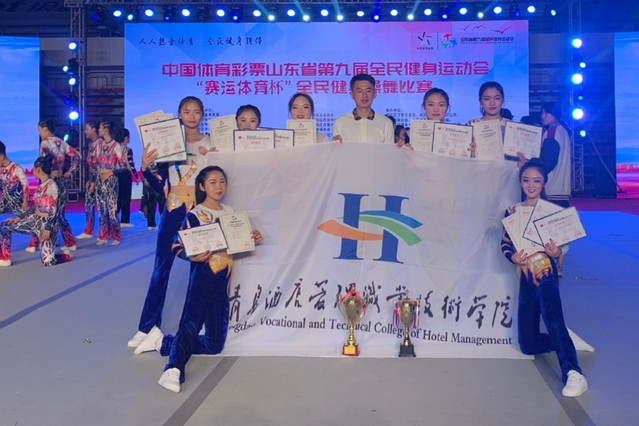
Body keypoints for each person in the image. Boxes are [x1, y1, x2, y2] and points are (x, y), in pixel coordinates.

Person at [134, 165, 263, 393]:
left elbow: (237, 241)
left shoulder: (230, 212)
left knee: (214, 344)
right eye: (212, 182)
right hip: (202, 277)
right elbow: (175, 245)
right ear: (202, 186)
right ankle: (173, 369)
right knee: (191, 325)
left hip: (223, 282)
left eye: (222, 181)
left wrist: (251, 237)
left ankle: (161, 342)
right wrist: (190, 255)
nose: (218, 186)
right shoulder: (194, 214)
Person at [127, 96, 212, 349]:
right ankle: (147, 327)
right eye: (187, 111)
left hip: (199, 212)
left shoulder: (211, 143)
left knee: (200, 268)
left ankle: (199, 321)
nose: (192, 116)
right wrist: (145, 168)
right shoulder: (169, 144)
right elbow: (158, 185)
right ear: (179, 114)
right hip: (173, 209)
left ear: (202, 115)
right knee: (160, 269)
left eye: (196, 112)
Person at [501, 158, 588, 398]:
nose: (531, 185)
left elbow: (562, 249)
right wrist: (513, 257)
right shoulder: (512, 212)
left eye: (536, 181)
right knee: (528, 344)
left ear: (544, 183)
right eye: (526, 180)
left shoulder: (552, 213)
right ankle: (562, 340)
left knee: (552, 316)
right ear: (521, 182)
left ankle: (574, 372)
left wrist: (556, 253)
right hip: (525, 275)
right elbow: (505, 244)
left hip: (545, 271)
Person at [0, 155, 72, 267]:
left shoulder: (51, 186)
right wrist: (19, 217)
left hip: (46, 224)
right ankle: (4, 258)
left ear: (38, 170)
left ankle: (65, 256)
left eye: (33, 169)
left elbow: (53, 210)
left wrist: (48, 229)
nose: (32, 171)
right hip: (35, 220)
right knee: (5, 226)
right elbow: (35, 207)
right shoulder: (41, 185)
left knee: (48, 262)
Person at [27, 120, 80, 253]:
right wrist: (70, 171)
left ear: (45, 129)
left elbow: (43, 164)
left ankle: (36, 242)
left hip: (48, 181)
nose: (39, 133)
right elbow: (77, 156)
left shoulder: (45, 144)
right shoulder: (61, 142)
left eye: (39, 130)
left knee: (42, 212)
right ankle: (69, 242)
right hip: (61, 180)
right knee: (59, 214)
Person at [87, 121, 127, 245]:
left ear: (105, 129)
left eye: (100, 128)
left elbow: (124, 165)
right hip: (100, 179)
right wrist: (92, 181)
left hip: (111, 180)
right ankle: (103, 235)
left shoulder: (116, 146)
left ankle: (116, 236)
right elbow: (95, 164)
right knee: (101, 209)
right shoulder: (99, 145)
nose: (98, 130)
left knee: (112, 209)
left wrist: (111, 172)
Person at [332, 73, 395, 145]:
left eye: (368, 91)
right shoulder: (340, 123)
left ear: (375, 93)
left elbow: (389, 151)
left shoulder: (386, 123)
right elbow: (337, 151)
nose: (364, 95)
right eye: (359, 91)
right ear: (352, 94)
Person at [467, 81, 511, 159]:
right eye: (487, 99)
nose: (492, 103)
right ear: (480, 101)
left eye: (497, 98)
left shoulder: (510, 126)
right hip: (478, 166)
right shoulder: (472, 125)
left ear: (502, 100)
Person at [540, 102, 572, 208]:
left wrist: (537, 173)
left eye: (546, 113)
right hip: (562, 190)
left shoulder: (552, 132)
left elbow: (548, 162)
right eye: (542, 113)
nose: (543, 116)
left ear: (554, 114)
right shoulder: (563, 130)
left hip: (551, 188)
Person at [76, 122, 102, 239]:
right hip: (92, 177)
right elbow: (91, 165)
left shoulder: (101, 144)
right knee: (89, 205)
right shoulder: (91, 145)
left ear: (94, 129)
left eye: (87, 129)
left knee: (102, 207)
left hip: (101, 178)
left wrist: (95, 182)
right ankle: (88, 230)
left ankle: (104, 233)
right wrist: (89, 180)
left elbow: (101, 165)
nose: (85, 131)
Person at [114, 128, 137, 228]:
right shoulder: (127, 150)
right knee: (126, 197)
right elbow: (130, 165)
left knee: (116, 197)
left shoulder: (113, 149)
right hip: (124, 174)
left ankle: (113, 218)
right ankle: (125, 220)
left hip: (114, 174)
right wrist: (136, 177)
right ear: (126, 138)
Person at [0, 140, 29, 217]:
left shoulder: (16, 168)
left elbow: (25, 185)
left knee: (24, 217)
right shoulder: (0, 169)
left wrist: (25, 201)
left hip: (16, 203)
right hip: (4, 202)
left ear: (1, 157)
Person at [140, 162, 165, 230]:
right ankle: (152, 224)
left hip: (156, 180)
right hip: (150, 181)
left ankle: (155, 223)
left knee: (161, 202)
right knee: (152, 203)